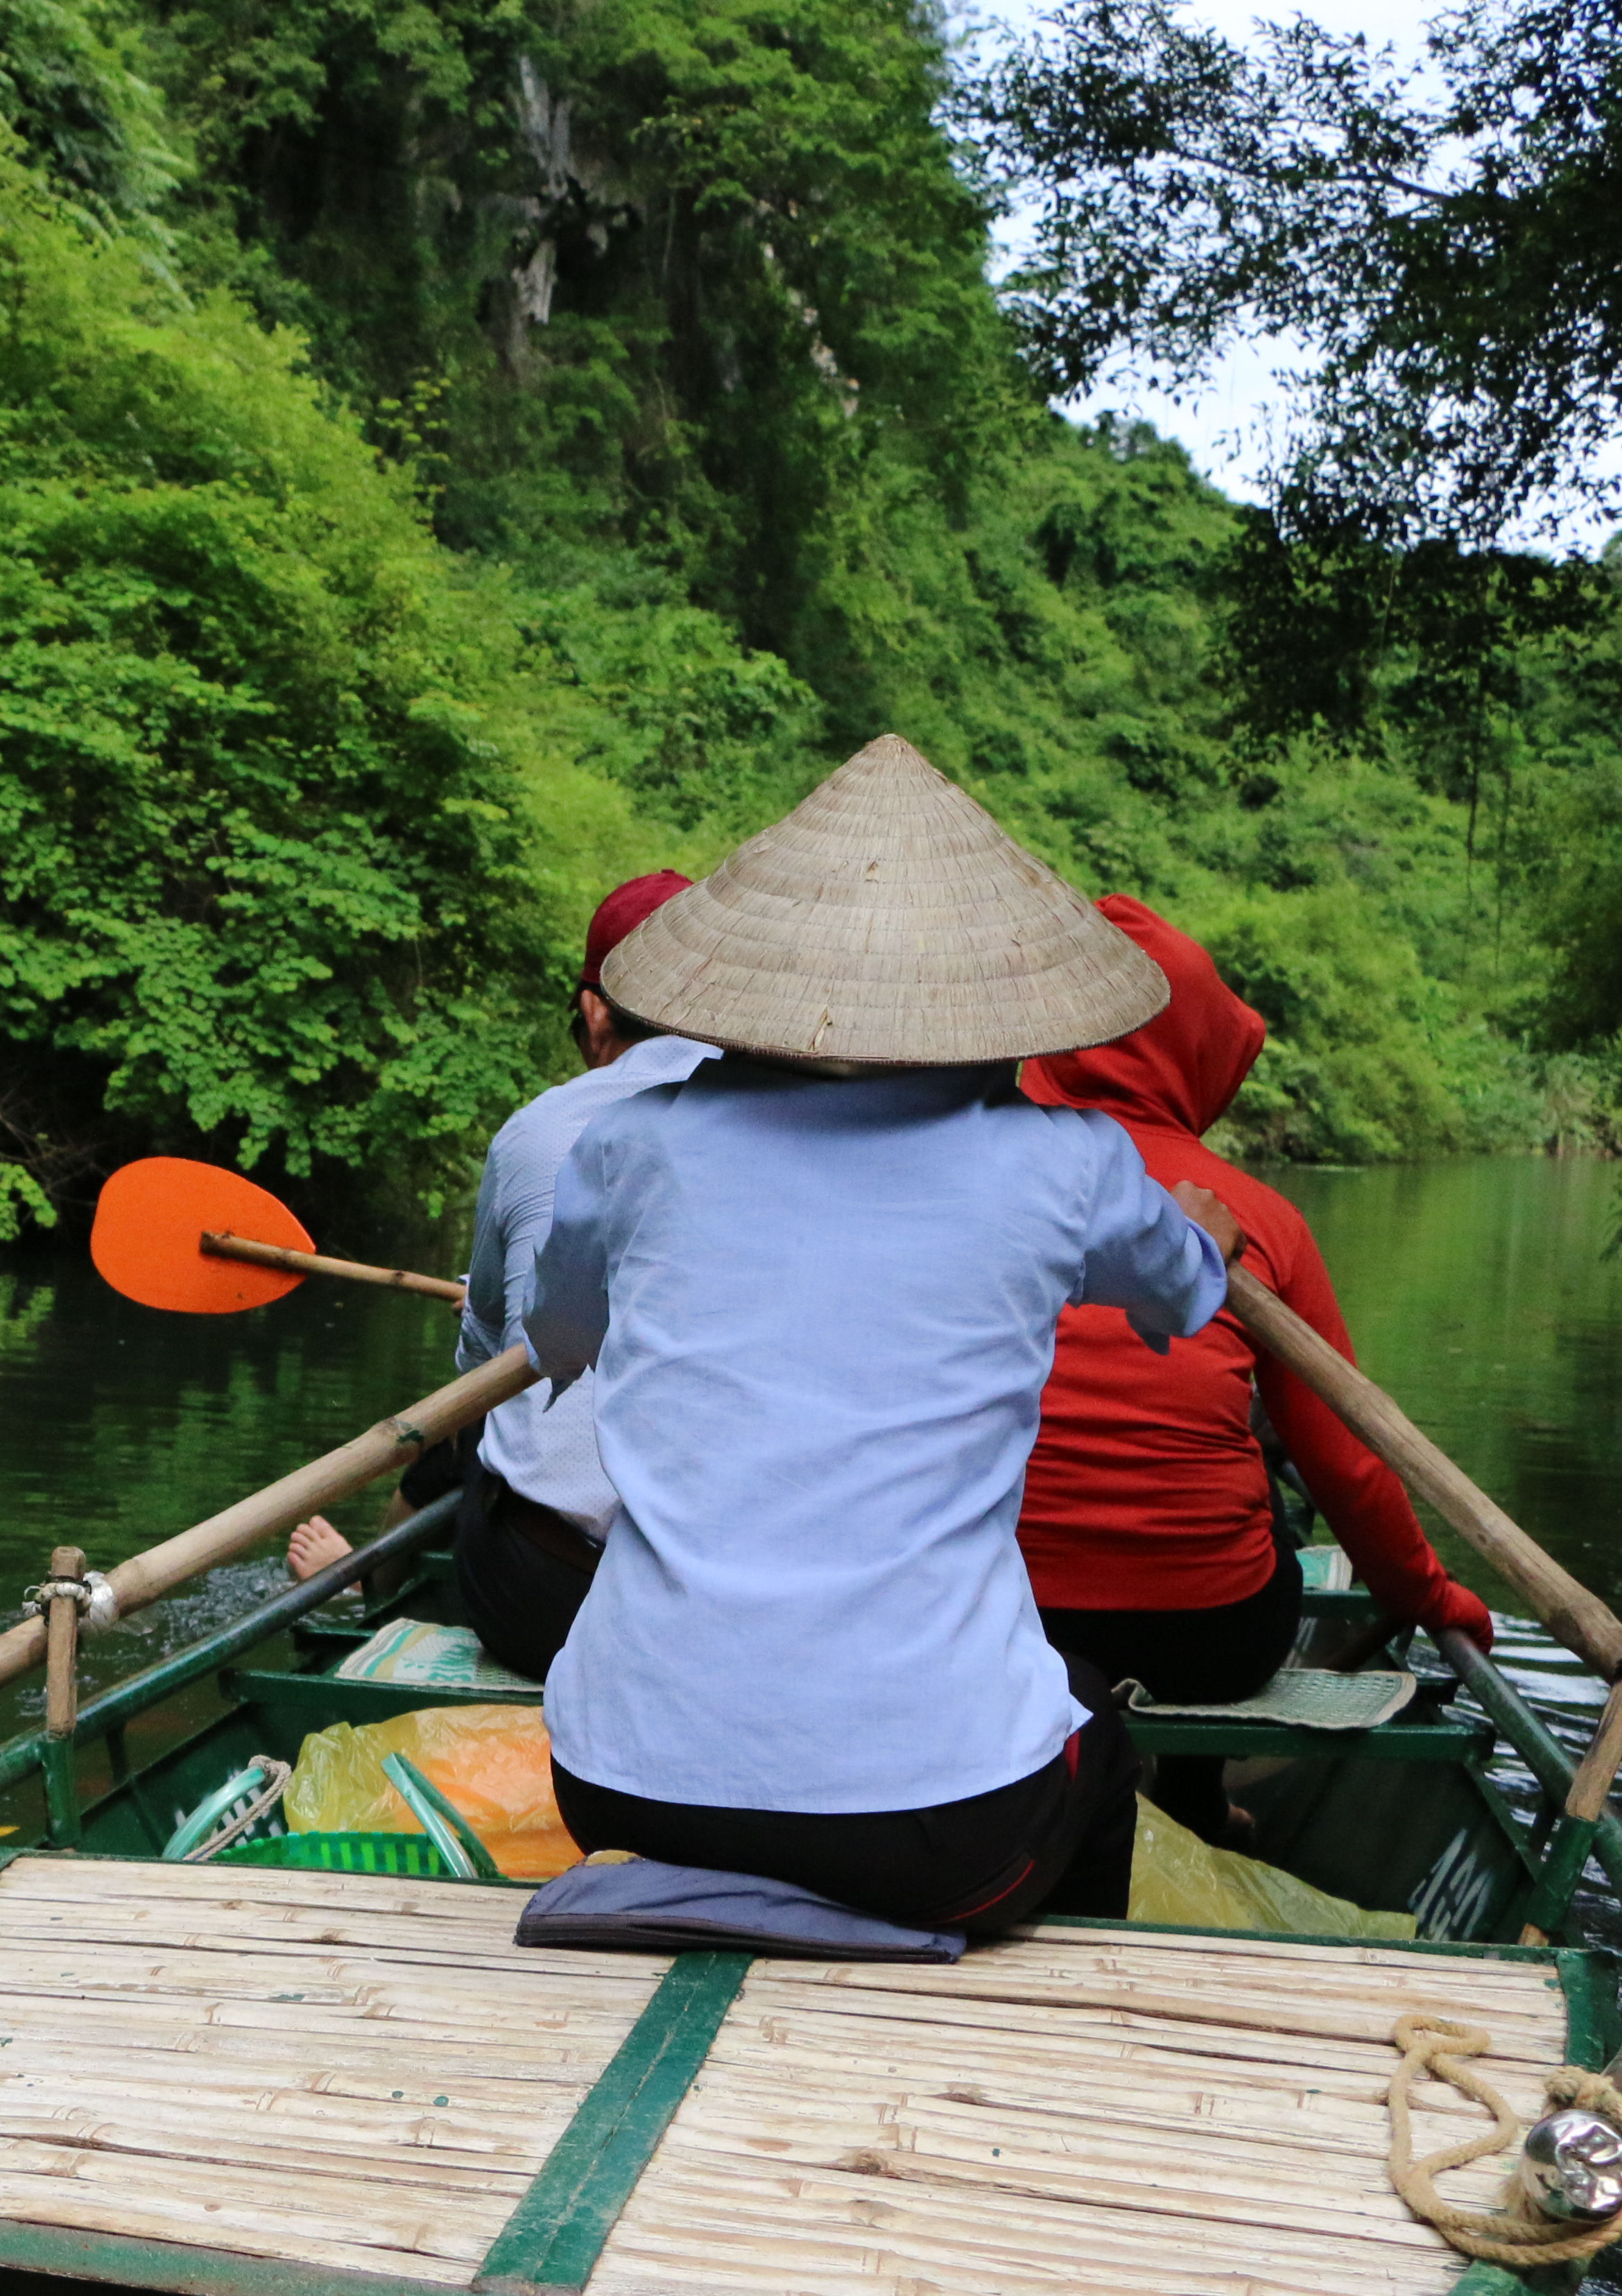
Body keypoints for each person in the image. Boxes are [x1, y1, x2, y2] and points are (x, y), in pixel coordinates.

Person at [526, 735, 1251, 1933]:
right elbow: (1181, 1298)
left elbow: (557, 1342)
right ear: (1000, 1010)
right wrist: (1205, 1235)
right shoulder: (1062, 1161)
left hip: (618, 1779)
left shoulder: (632, 1144)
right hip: (940, 1833)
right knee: (1095, 1733)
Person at [1017, 897, 1495, 1842]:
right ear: (1196, 1052)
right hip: (1210, 1638)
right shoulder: (1258, 1217)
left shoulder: (973, 1184)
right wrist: (1430, 1598)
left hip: (1001, 1620)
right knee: (1267, 1501)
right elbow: (1348, 1464)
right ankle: (1194, 1794)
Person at [282, 872, 717, 1679]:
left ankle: (375, 1581)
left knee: (478, 1410)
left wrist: (508, 1325)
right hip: (730, 1607)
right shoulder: (797, 1131)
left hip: (546, 1603)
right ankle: (375, 1574)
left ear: (594, 1011)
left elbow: (483, 1359)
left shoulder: (542, 1128)